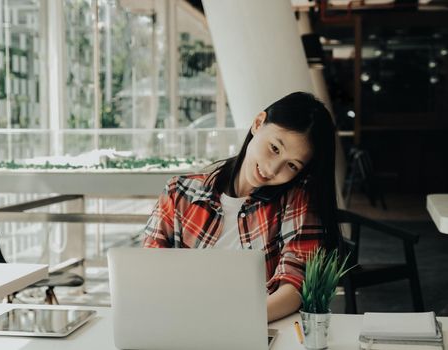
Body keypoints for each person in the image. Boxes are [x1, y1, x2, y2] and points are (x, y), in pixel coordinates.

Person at [142, 91, 343, 322]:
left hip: (254, 328)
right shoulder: (179, 192)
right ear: (258, 123)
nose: (272, 170)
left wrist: (230, 321)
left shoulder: (295, 200)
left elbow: (294, 286)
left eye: (292, 165)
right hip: (179, 325)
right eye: (274, 148)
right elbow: (149, 272)